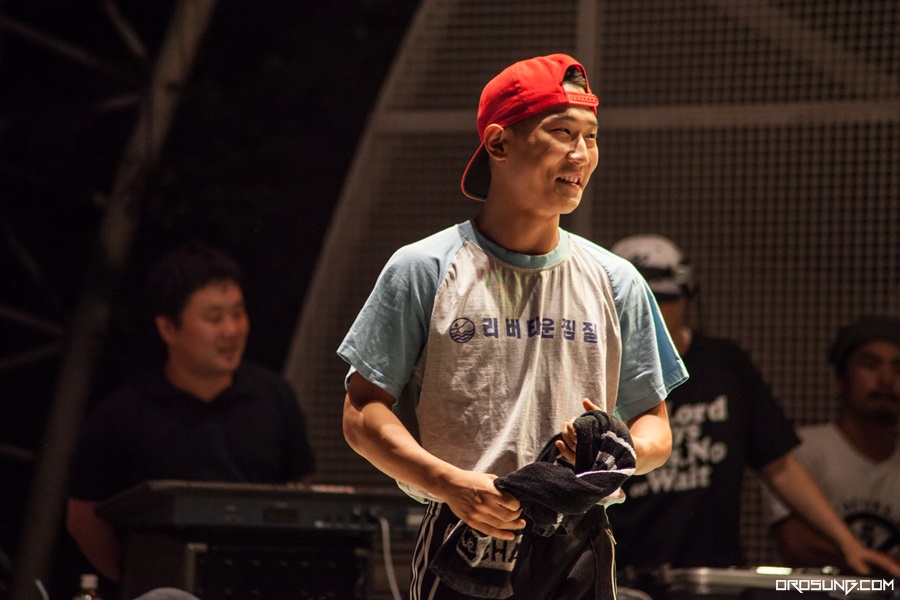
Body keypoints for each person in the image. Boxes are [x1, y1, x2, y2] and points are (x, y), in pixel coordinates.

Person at [338, 54, 688, 600]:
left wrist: (622, 451)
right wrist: (449, 483)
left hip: (579, 543)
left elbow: (656, 430)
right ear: (498, 144)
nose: (581, 154)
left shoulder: (616, 279)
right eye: (562, 132)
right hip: (462, 531)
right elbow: (361, 413)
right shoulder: (425, 267)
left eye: (591, 137)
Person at [606, 234, 900, 586]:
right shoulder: (603, 369)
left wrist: (848, 544)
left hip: (713, 580)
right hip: (621, 576)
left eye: (664, 299)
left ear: (687, 296)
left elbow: (779, 465)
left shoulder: (725, 364)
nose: (653, 312)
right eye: (642, 300)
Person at [66, 242, 315, 587]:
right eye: (214, 318)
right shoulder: (122, 413)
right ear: (169, 328)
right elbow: (83, 516)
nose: (231, 330)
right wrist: (136, 579)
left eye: (238, 313)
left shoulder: (275, 395)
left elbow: (299, 490)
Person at [765, 315, 900, 570]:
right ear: (840, 380)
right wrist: (879, 565)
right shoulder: (800, 450)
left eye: (898, 368)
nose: (886, 379)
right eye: (870, 364)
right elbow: (795, 545)